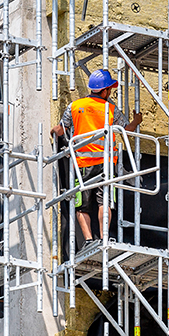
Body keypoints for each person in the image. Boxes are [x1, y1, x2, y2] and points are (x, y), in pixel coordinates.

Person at [51, 68, 143, 251]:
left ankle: (87, 240)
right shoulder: (110, 108)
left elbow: (61, 129)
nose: (110, 92)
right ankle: (104, 238)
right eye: (110, 89)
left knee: (81, 205)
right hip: (106, 165)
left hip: (81, 165)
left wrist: (53, 132)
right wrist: (137, 120)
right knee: (105, 202)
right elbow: (127, 130)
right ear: (105, 90)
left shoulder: (75, 106)